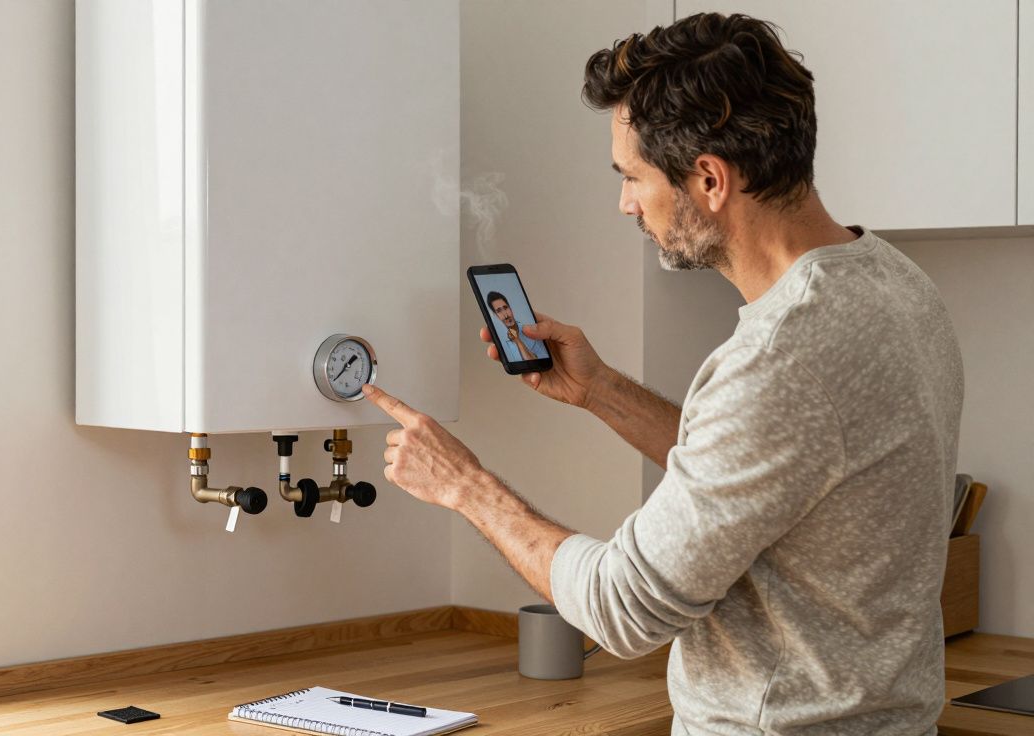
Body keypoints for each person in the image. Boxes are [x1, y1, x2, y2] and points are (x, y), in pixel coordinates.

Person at [363, 12, 963, 736]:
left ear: (709, 178)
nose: (625, 203)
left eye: (633, 177)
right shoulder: (891, 281)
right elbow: (770, 469)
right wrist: (601, 391)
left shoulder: (783, 356)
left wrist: (466, 487)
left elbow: (625, 609)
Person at [485, 290, 545, 362]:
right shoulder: (504, 344)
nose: (506, 315)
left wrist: (517, 340)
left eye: (505, 308)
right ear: (496, 316)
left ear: (510, 308)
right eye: (499, 311)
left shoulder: (529, 330)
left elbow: (535, 362)